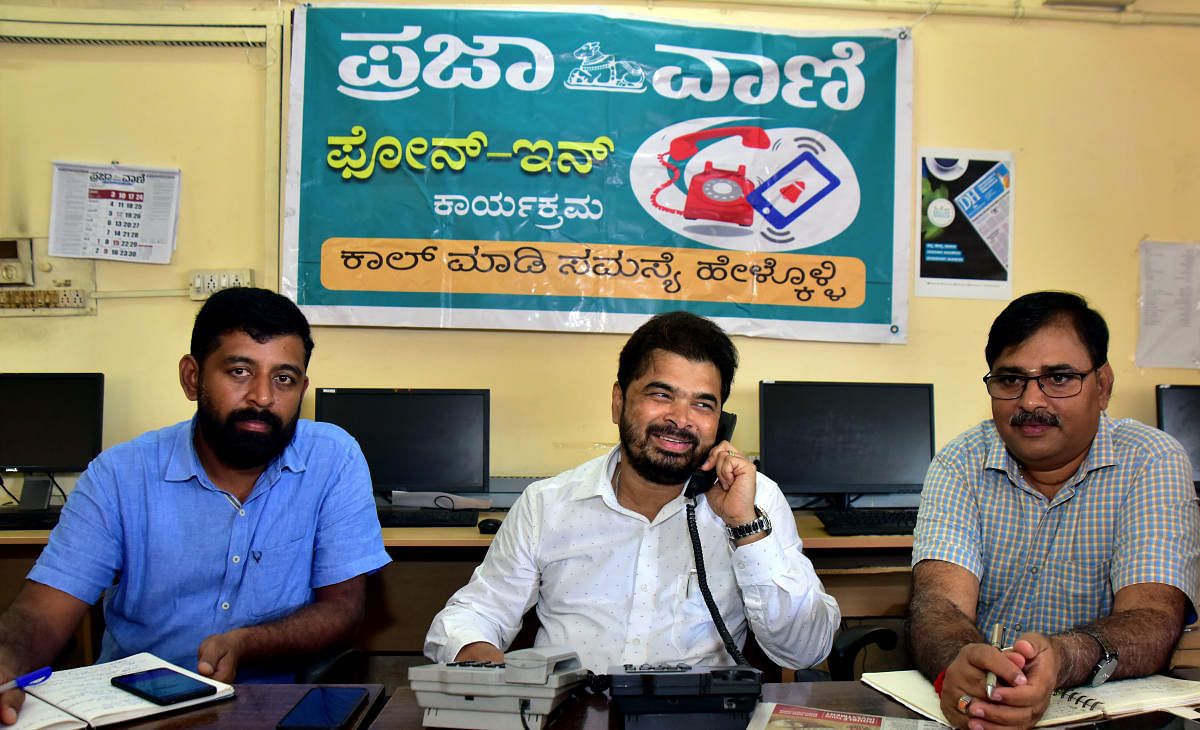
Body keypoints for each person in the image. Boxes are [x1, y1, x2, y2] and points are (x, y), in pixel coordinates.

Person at [0, 287, 390, 725]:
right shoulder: (118, 476)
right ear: (192, 378)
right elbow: (42, 612)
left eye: (284, 378)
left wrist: (246, 643)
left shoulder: (332, 458)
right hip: (135, 709)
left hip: (270, 707)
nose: (262, 397)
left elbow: (343, 608)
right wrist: (7, 662)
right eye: (240, 371)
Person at [425, 310, 840, 673]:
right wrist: (480, 656)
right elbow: (477, 612)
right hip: (573, 713)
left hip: (699, 719)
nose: (681, 420)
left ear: (721, 422)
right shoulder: (546, 504)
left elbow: (804, 652)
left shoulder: (752, 502)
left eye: (703, 404)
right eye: (662, 395)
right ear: (619, 401)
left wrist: (745, 527)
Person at [908, 291, 1200, 730]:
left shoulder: (1151, 460)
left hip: (1103, 714)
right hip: (984, 711)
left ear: (1102, 386)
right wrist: (960, 662)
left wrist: (1063, 656)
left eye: (1059, 378)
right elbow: (938, 604)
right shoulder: (960, 461)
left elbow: (1154, 618)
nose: (1030, 402)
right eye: (1010, 380)